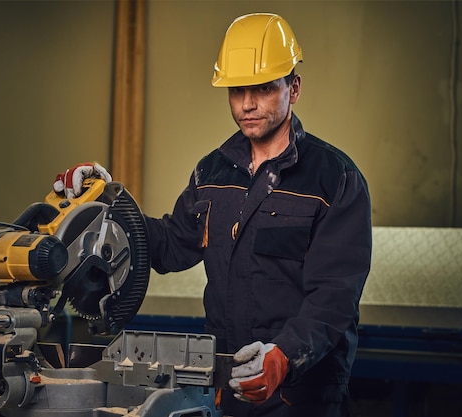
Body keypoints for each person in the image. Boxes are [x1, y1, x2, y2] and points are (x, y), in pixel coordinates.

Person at [55, 13, 371, 417]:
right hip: (226, 383)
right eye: (237, 90)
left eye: (263, 89)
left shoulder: (335, 179)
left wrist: (284, 356)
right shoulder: (213, 172)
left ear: (294, 87)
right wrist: (105, 199)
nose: (247, 104)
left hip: (301, 393)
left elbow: (334, 298)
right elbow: (170, 246)